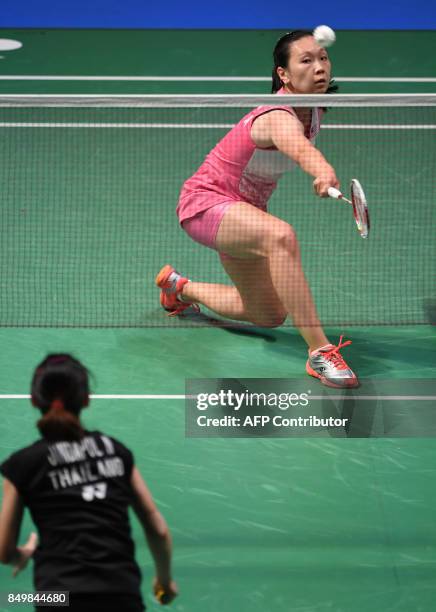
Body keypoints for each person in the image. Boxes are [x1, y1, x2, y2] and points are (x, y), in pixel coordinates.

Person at [156, 30, 358, 389]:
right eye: (306, 60)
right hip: (206, 203)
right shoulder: (277, 115)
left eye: (322, 58)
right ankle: (320, 352)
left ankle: (178, 288)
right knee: (281, 236)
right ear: (283, 74)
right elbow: (297, 148)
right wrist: (323, 170)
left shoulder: (313, 108)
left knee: (268, 314)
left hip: (244, 214)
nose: (319, 67)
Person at [0, 354, 178, 611]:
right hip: (120, 596)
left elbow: (4, 552)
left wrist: (24, 553)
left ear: (33, 400)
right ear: (86, 399)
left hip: (58, 599)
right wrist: (165, 581)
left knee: (11, 598)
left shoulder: (23, 464)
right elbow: (157, 529)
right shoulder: (115, 451)